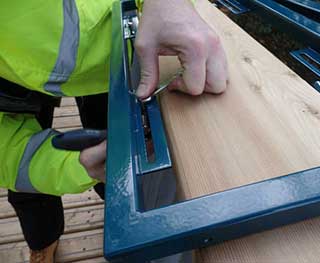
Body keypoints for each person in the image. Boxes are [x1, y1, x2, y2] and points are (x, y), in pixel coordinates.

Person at [0, 0, 229, 262]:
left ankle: (113, 202)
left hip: (117, 56)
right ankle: (43, 240)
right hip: (13, 89)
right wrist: (73, 164)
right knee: (30, 194)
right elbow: (8, 152)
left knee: (117, 165)